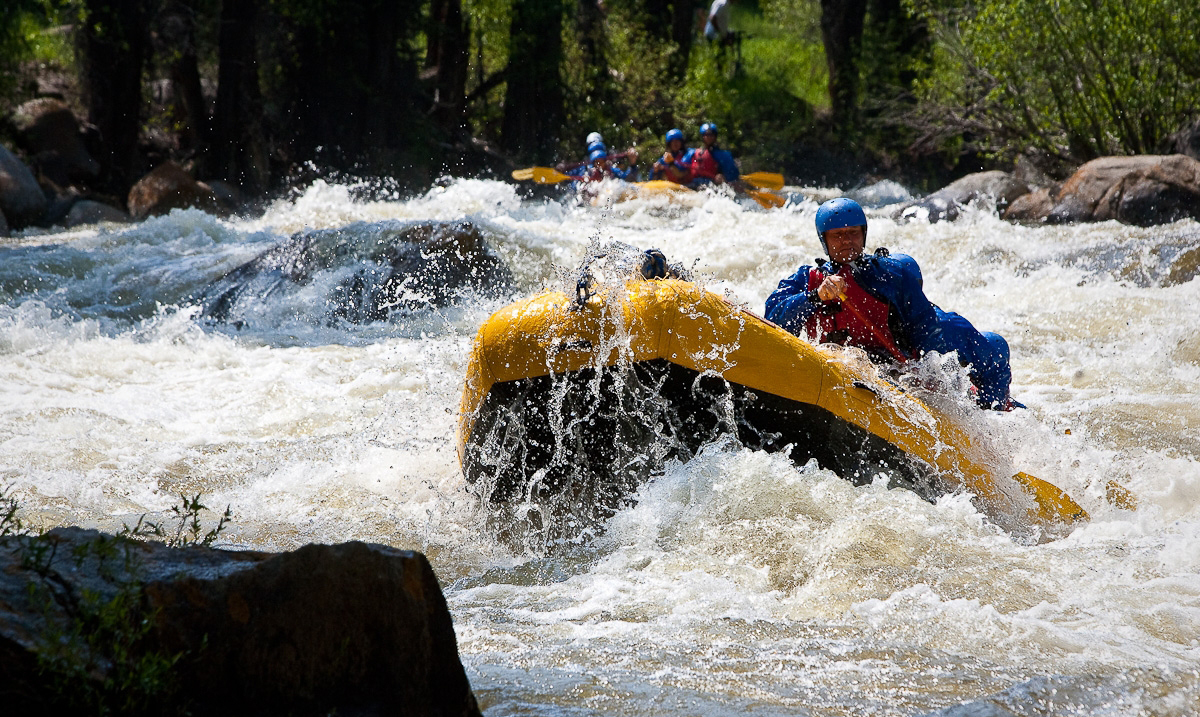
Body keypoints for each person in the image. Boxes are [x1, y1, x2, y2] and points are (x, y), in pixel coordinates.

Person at [764, 197, 1018, 410]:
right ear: (825, 240)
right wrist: (814, 297)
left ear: (864, 235)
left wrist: (926, 372)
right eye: (838, 235)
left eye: (853, 233)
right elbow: (772, 320)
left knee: (993, 346)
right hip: (838, 365)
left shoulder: (889, 276)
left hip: (893, 367)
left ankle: (995, 413)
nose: (847, 241)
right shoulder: (807, 279)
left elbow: (927, 330)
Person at [682, 122, 739, 187]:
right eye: (706, 135)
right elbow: (681, 167)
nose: (709, 137)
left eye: (711, 135)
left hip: (712, 185)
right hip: (694, 184)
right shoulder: (692, 153)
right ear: (702, 137)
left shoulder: (723, 155)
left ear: (715, 137)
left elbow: (732, 175)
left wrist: (723, 177)